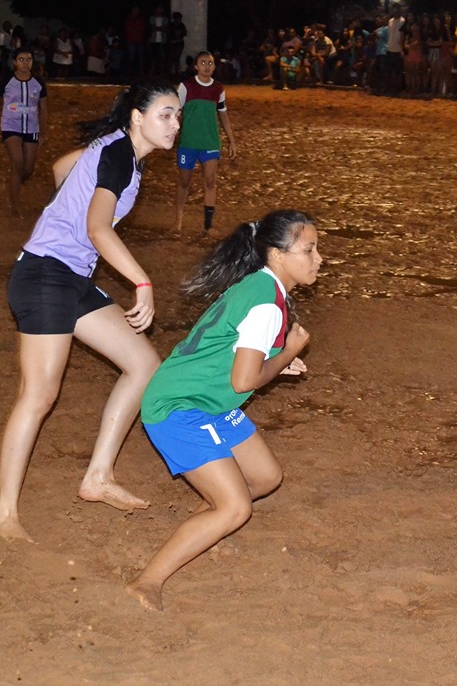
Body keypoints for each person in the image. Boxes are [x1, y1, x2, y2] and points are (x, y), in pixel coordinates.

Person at [0, 80, 180, 543]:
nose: (175, 124)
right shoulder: (118, 155)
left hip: (70, 278)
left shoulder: (115, 150)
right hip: (44, 276)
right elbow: (98, 228)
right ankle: (5, 515)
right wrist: (142, 281)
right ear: (137, 118)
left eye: (177, 116)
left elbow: (60, 168)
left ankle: (97, 476)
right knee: (39, 395)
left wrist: (68, 204)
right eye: (165, 115)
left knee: (144, 365)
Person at [126, 209, 321, 612]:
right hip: (181, 406)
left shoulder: (262, 287)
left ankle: (201, 531)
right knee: (236, 507)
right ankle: (148, 580)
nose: (319, 259)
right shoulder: (266, 303)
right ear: (278, 255)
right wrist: (288, 354)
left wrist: (280, 359)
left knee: (265, 477)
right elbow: (244, 382)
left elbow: (236, 353)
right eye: (310, 250)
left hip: (209, 402)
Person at [0, 47, 48, 217]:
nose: (25, 63)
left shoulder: (39, 82)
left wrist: (43, 132)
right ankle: (14, 204)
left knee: (28, 169)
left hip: (32, 128)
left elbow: (43, 108)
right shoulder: (5, 81)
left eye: (28, 59)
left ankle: (13, 186)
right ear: (14, 62)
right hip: (10, 126)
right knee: (18, 163)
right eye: (21, 59)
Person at [174, 50, 237, 234]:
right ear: (196, 66)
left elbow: (223, 115)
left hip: (210, 143)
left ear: (214, 67)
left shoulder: (218, 89)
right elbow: (176, 112)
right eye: (203, 63)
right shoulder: (186, 86)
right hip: (188, 142)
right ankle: (178, 221)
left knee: (210, 181)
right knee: (184, 181)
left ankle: (208, 225)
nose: (207, 66)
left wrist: (231, 140)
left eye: (210, 63)